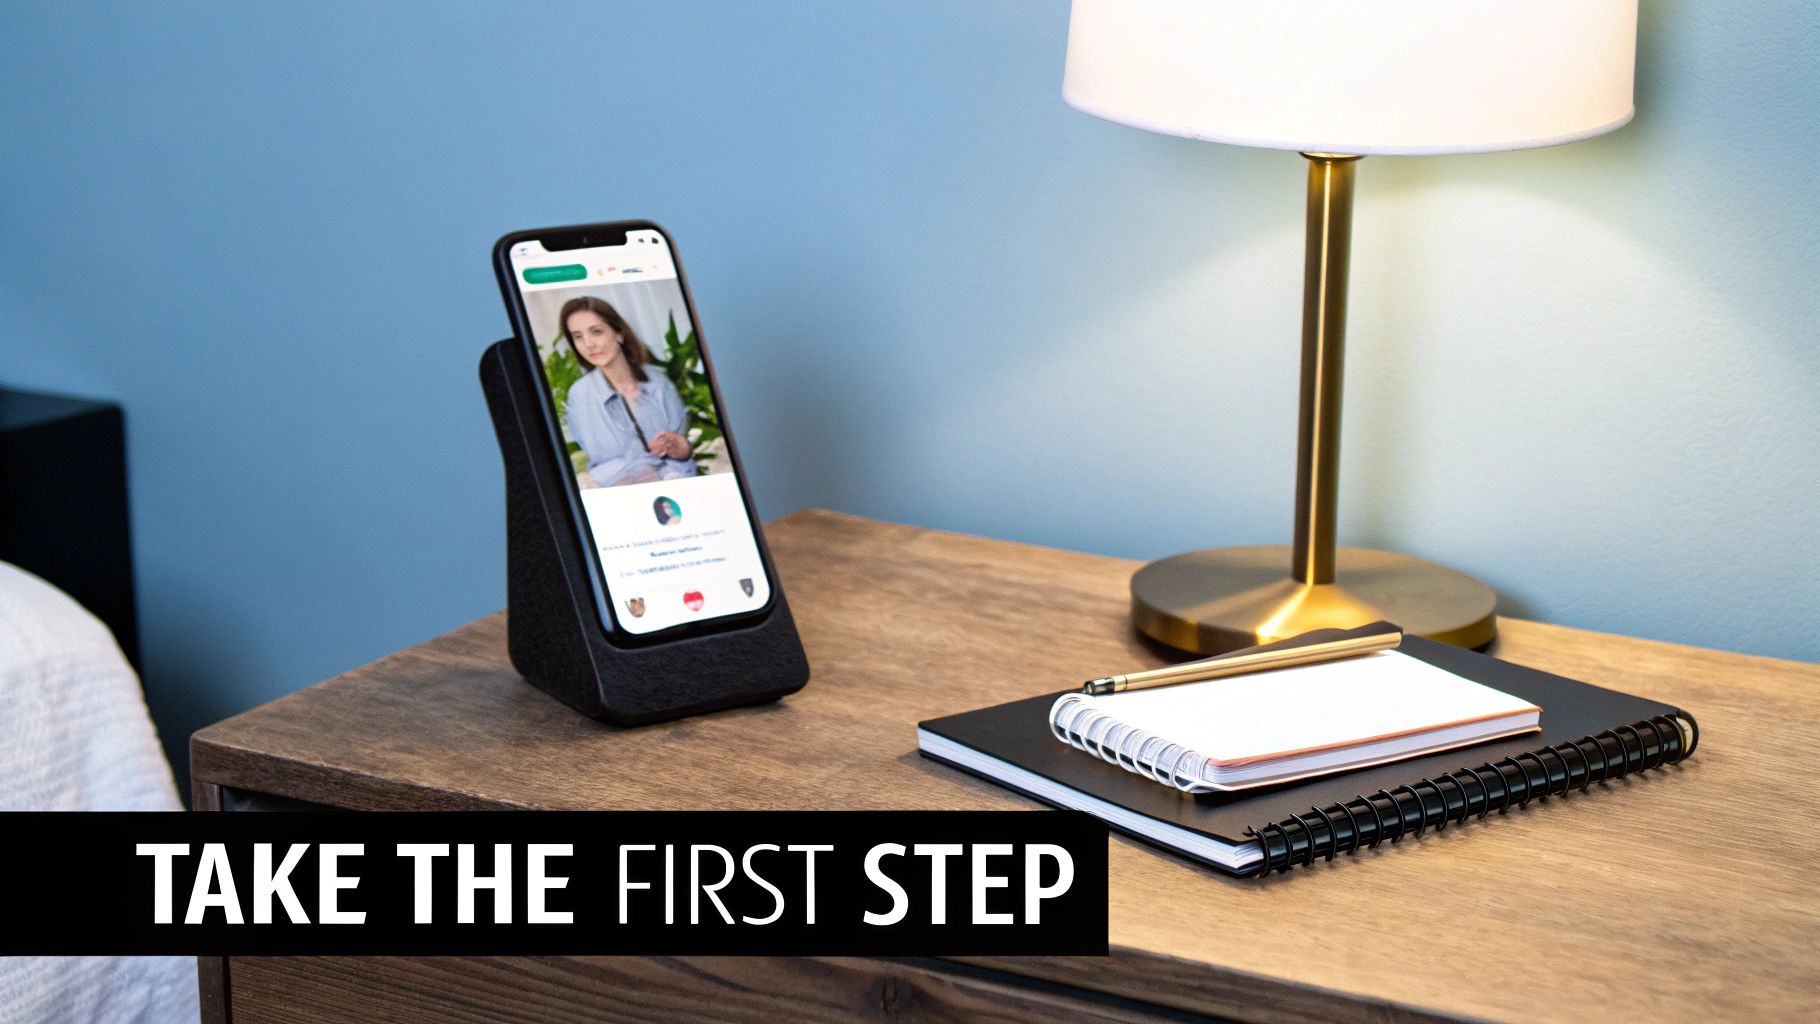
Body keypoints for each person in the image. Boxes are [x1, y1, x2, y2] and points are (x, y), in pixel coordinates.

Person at [557, 296, 695, 486]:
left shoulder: (660, 382)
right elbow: (603, 465)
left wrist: (683, 450)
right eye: (578, 336)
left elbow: (682, 457)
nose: (588, 344)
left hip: (677, 486)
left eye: (596, 332)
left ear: (619, 333)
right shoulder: (580, 395)